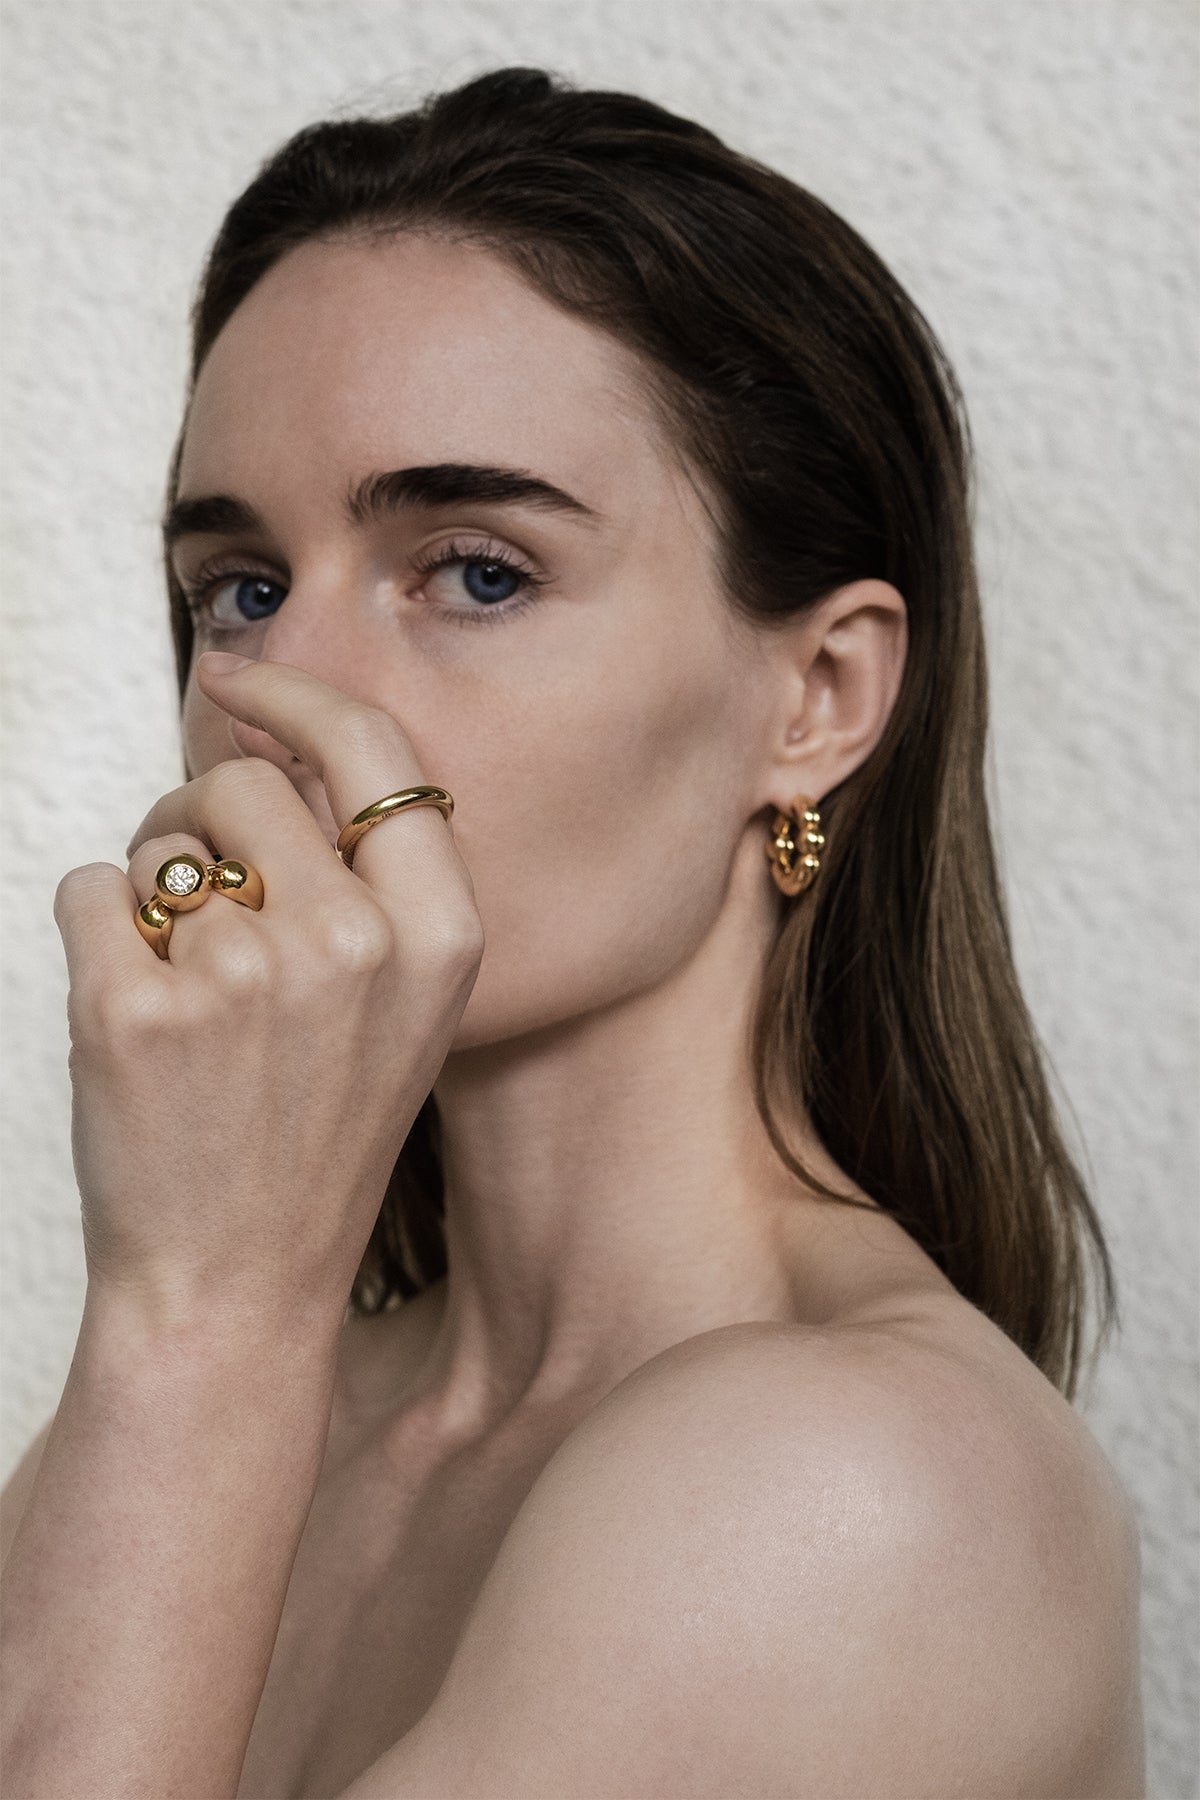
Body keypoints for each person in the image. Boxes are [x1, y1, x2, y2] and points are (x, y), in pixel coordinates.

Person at [0, 65, 1145, 1800]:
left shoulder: (857, 1489)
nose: (282, 689)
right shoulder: (279, 1404)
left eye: (475, 571)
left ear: (818, 697)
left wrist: (204, 1307)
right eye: (239, 587)